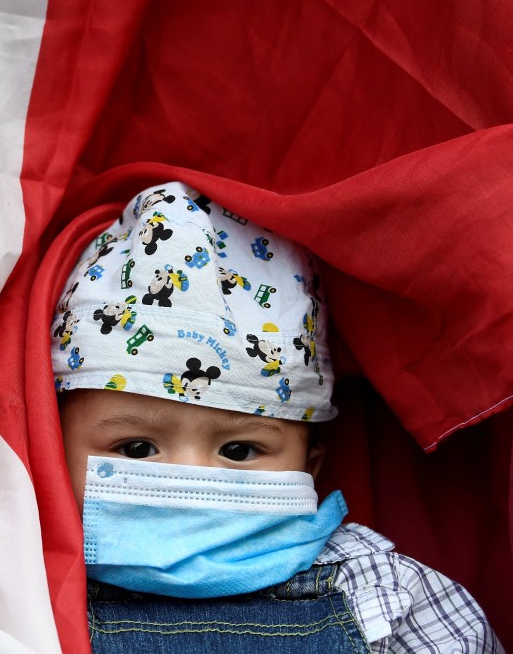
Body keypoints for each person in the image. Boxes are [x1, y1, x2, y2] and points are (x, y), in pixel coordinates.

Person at [50, 181, 503, 653]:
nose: (190, 479)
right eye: (137, 448)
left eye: (239, 450)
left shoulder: (380, 588)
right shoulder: (24, 585)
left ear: (309, 467)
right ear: (52, 447)